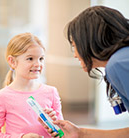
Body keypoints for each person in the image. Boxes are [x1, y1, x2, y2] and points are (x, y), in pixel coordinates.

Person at [48, 6, 129, 138]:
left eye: (74, 45)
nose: (75, 55)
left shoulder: (118, 64)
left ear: (89, 40)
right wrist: (81, 133)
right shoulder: (122, 58)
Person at [0, 32, 63, 138]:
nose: (38, 64)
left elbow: (62, 133)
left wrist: (56, 125)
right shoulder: (2, 97)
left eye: (41, 58)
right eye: (30, 59)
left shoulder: (51, 92)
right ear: (12, 61)